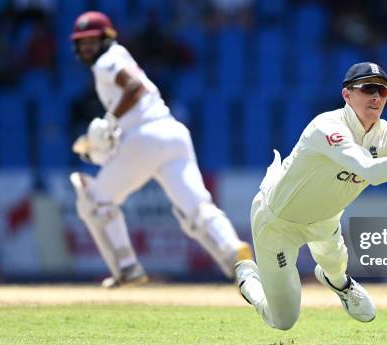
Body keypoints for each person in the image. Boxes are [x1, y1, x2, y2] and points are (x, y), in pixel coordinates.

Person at [236, 62, 387, 330]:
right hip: (278, 222)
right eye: (368, 88)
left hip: (325, 221)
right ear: (347, 94)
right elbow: (370, 170)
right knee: (283, 320)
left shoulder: (386, 135)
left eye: (383, 90)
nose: (376, 96)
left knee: (335, 268)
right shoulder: (326, 126)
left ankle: (340, 284)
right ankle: (249, 281)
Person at [68, 11, 253, 288]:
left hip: (144, 137)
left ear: (106, 40)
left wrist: (111, 121)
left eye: (92, 42)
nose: (87, 48)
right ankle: (235, 254)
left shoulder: (106, 62)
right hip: (172, 133)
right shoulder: (119, 55)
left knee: (94, 201)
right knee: (197, 209)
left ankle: (126, 267)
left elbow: (133, 87)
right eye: (82, 43)